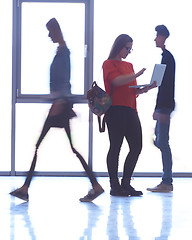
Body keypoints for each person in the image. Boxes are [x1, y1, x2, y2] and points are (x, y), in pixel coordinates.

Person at [10, 18, 104, 202]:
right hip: (61, 104)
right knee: (72, 148)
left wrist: (58, 102)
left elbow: (63, 80)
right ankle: (95, 185)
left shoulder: (63, 53)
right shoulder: (62, 51)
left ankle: (25, 188)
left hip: (60, 106)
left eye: (50, 32)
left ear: (56, 31)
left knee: (41, 146)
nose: (49, 35)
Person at [102, 34, 156, 196]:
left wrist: (146, 88)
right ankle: (114, 185)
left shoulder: (129, 65)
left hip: (131, 109)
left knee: (136, 146)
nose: (128, 51)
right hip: (115, 110)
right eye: (127, 48)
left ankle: (126, 183)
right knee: (116, 147)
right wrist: (137, 75)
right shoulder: (108, 63)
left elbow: (131, 90)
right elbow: (117, 82)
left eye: (130, 48)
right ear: (119, 46)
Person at [147, 25, 175, 192]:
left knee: (163, 143)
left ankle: (167, 182)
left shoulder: (168, 58)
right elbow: (160, 85)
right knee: (160, 142)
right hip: (163, 106)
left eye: (157, 35)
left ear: (163, 36)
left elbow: (165, 85)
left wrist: (163, 110)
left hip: (165, 106)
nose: (155, 39)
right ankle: (166, 181)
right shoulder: (165, 57)